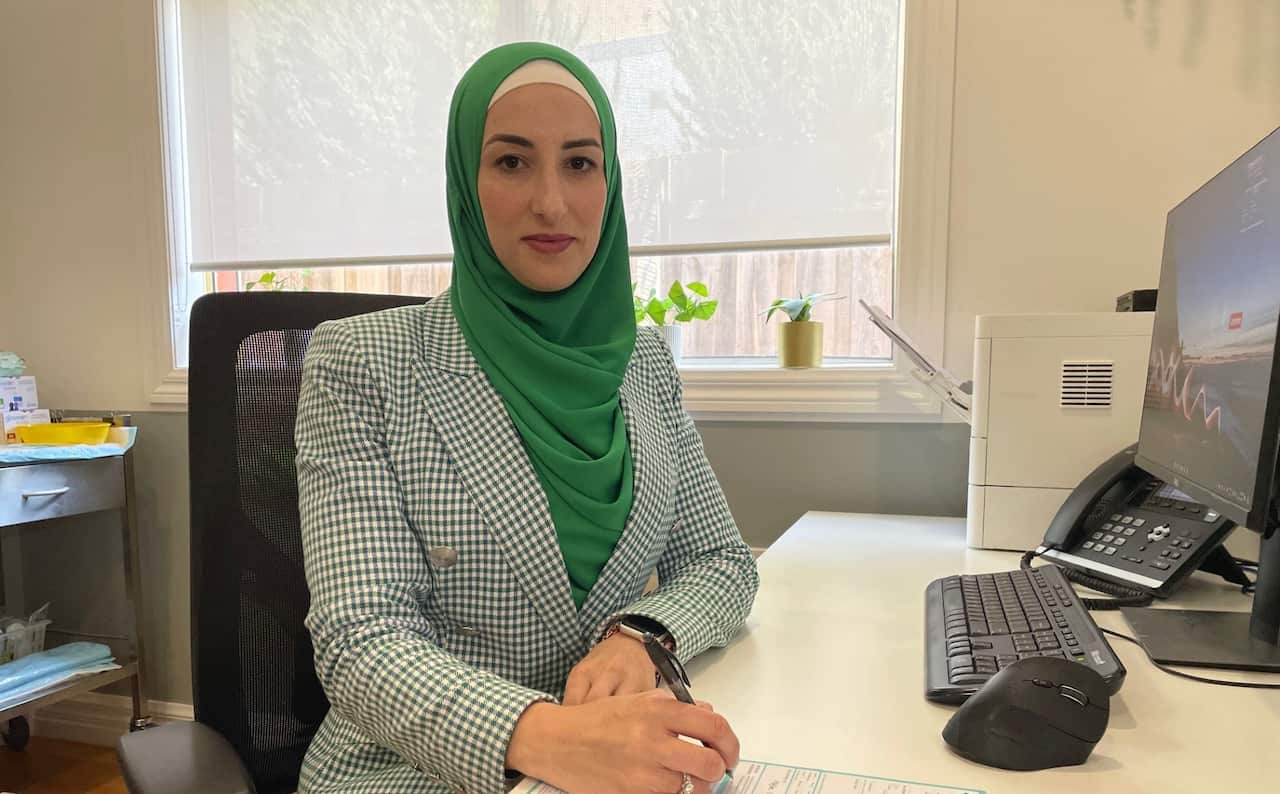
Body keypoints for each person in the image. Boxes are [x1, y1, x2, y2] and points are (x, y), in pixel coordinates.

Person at [295, 41, 759, 794]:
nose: (552, 201)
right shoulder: (363, 362)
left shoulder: (643, 364)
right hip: (407, 774)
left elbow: (722, 564)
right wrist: (548, 736)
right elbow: (360, 643)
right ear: (465, 184)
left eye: (580, 163)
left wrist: (639, 637)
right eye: (512, 162)